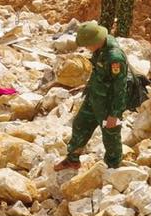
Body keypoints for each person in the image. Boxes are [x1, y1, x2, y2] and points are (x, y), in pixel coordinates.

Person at [56, 21, 132, 170]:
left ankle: (114, 168)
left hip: (109, 105)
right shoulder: (101, 47)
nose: (86, 49)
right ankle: (72, 159)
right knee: (80, 124)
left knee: (110, 137)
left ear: (95, 41)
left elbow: (120, 88)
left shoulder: (114, 57)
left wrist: (115, 114)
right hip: (94, 98)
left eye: (87, 45)